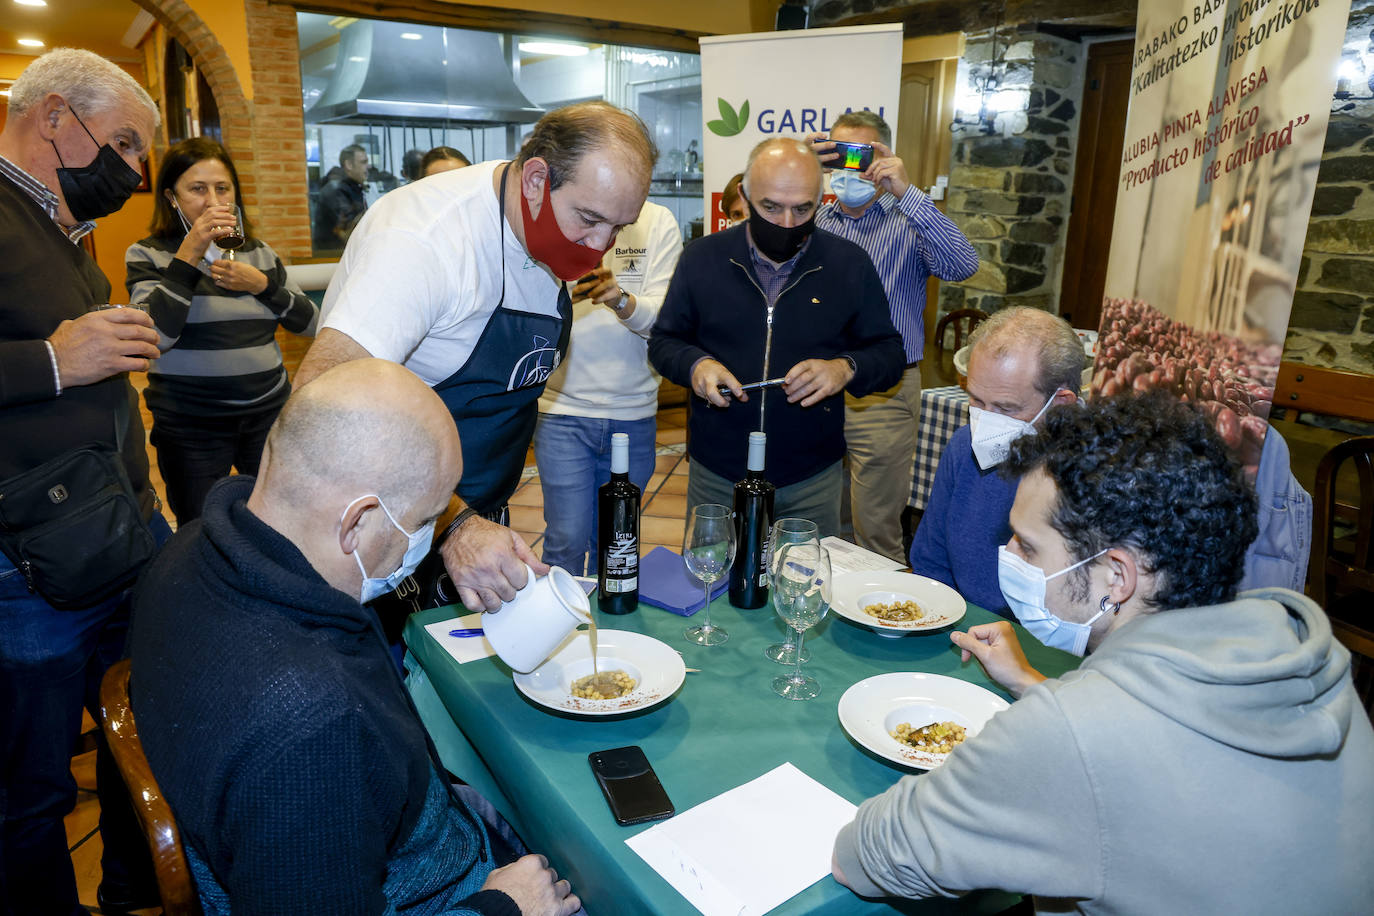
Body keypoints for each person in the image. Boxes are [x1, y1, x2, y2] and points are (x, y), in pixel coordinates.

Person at [833, 391, 1374, 913]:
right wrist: (1034, 686)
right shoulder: (1310, 660)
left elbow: (866, 855)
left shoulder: (1074, 734)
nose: (1007, 555)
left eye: (1026, 544)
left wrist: (1044, 722)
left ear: (1116, 577)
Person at [128, 359, 581, 916]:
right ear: (358, 521)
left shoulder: (189, 549)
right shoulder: (313, 727)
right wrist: (507, 910)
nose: (430, 537)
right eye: (429, 518)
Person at [295, 100, 656, 611]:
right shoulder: (424, 239)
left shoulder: (541, 225)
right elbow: (321, 411)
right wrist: (454, 525)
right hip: (381, 530)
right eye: (590, 220)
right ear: (535, 179)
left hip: (480, 515)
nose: (600, 246)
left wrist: (475, 521)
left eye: (618, 228)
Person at [0, 48, 169, 916]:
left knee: (140, 730)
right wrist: (51, 361)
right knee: (30, 789)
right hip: (29, 563)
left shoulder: (60, 225)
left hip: (116, 531)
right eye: (129, 145)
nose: (136, 175)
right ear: (56, 116)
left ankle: (134, 893)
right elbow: (51, 365)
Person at [649, 137, 904, 536]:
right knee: (711, 584)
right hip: (717, 470)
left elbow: (889, 353)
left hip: (810, 476)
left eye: (803, 209)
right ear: (745, 195)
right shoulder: (702, 258)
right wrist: (696, 365)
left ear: (822, 200)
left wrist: (845, 367)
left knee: (802, 590)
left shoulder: (849, 264)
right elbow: (664, 342)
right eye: (771, 207)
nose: (787, 223)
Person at [125, 137, 319, 525]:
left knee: (276, 521)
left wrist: (262, 286)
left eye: (222, 188)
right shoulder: (148, 254)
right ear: (172, 198)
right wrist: (190, 255)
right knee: (202, 527)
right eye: (197, 189)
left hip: (266, 413)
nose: (213, 200)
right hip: (191, 424)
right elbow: (154, 336)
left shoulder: (259, 253)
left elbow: (312, 324)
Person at [812, 111, 979, 561]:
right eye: (839, 155)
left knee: (876, 531)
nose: (851, 169)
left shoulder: (908, 220)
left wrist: (907, 192)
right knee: (822, 525)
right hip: (818, 389)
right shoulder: (816, 222)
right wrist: (801, 174)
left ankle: (880, 623)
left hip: (883, 393)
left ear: (884, 156)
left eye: (862, 156)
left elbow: (962, 265)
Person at [534, 200, 682, 574]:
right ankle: (559, 630)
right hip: (562, 411)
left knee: (617, 543)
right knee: (566, 538)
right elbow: (528, 308)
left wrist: (619, 299)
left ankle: (616, 630)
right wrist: (567, 294)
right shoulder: (557, 212)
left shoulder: (657, 220)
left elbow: (667, 322)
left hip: (633, 414)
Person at [910, 306, 1083, 616]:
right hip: (959, 624)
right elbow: (931, 563)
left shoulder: (1096, 475)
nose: (985, 421)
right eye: (976, 400)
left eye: (1006, 408)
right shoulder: (965, 447)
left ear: (1061, 404)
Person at [312, 143, 368, 250]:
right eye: (363, 162)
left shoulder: (353, 188)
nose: (368, 166)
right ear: (349, 165)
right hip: (333, 256)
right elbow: (349, 230)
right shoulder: (336, 190)